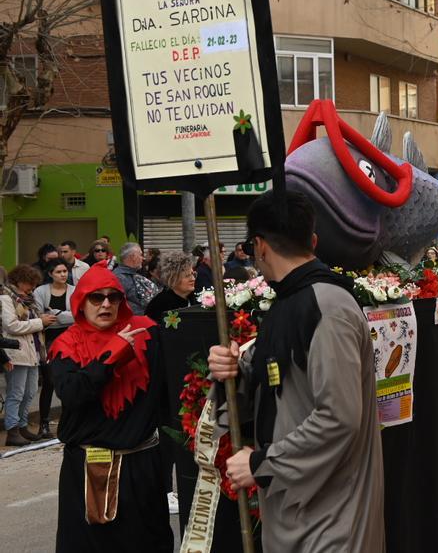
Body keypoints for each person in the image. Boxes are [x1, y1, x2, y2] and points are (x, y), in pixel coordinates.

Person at [206, 191, 384, 551]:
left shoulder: (328, 306)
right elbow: (278, 389)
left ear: (259, 247)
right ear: (313, 241)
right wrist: (233, 372)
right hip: (297, 511)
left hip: (333, 518)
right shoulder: (290, 301)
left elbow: (339, 417)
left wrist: (261, 461)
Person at [48, 265, 172, 550]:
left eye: (113, 297)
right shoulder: (66, 344)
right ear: (80, 301)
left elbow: (170, 387)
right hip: (89, 467)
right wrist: (110, 357)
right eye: (96, 297)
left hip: (142, 463)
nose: (106, 304)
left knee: (149, 541)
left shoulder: (147, 334)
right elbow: (72, 394)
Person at [2, 264, 55, 446]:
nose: (31, 288)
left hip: (32, 351)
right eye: (29, 284)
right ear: (19, 281)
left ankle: (23, 426)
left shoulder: (27, 299)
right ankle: (12, 429)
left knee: (30, 391)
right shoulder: (6, 298)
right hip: (16, 352)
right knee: (16, 393)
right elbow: (12, 326)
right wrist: (40, 322)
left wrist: (43, 320)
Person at [33, 258, 75, 439]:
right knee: (49, 381)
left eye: (65, 271)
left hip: (70, 339)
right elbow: (38, 315)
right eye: (59, 272)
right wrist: (61, 317)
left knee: (68, 380)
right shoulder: (40, 291)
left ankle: (68, 422)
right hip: (47, 339)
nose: (63, 275)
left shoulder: (74, 291)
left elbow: (77, 315)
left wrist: (56, 314)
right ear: (50, 274)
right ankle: (44, 423)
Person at [144, 251, 196, 325]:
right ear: (172, 279)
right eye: (187, 276)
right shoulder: (160, 304)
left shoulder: (196, 298)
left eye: (193, 274)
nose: (193, 279)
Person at [113, 243, 158, 316]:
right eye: (140, 255)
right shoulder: (119, 278)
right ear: (133, 257)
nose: (143, 258)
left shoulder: (133, 274)